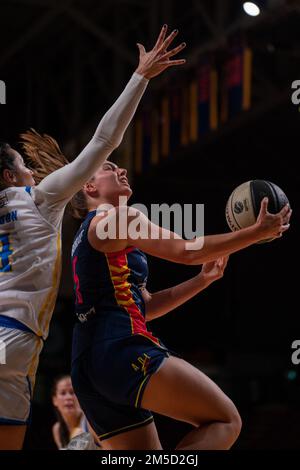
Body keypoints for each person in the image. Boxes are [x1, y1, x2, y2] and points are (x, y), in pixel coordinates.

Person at [0, 25, 186, 450]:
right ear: (11, 176)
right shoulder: (39, 197)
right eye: (23, 166)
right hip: (19, 342)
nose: (33, 170)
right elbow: (104, 139)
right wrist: (140, 77)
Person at [69, 160, 291, 450]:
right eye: (110, 168)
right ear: (89, 185)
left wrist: (201, 281)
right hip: (120, 348)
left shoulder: (85, 236)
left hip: (87, 365)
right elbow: (186, 250)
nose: (122, 170)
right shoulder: (119, 218)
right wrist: (253, 234)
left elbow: (143, 307)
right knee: (226, 420)